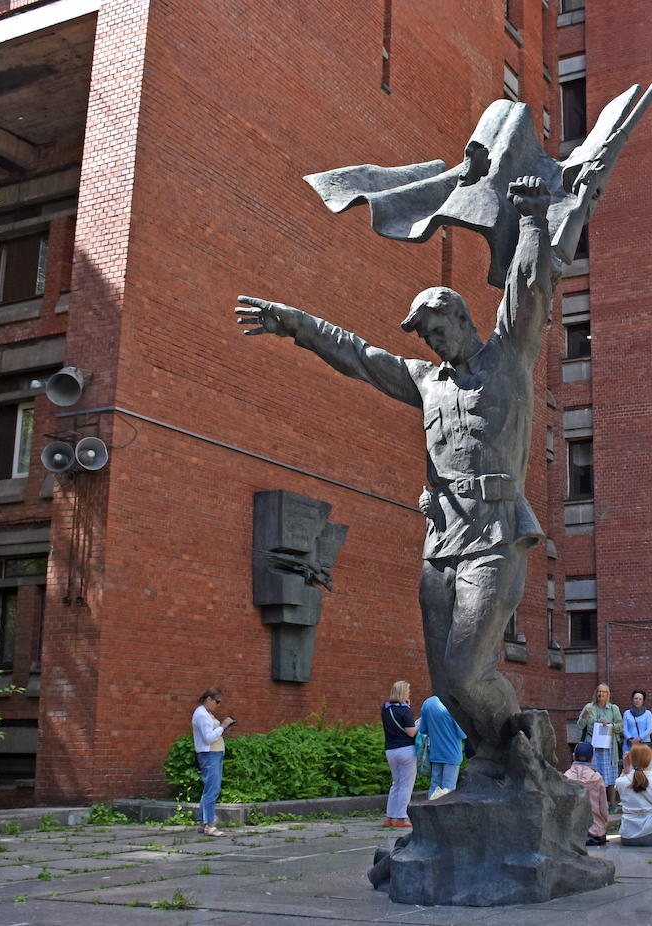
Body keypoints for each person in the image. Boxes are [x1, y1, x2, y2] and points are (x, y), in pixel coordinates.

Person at [237, 177, 554, 776]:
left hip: (495, 535)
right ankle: (493, 760)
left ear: (461, 318)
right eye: (425, 337)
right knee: (446, 685)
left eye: (438, 330)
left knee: (468, 670)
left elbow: (527, 288)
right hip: (440, 544)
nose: (433, 344)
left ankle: (523, 740)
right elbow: (359, 356)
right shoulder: (425, 381)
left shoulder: (508, 356)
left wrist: (534, 219)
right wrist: (296, 324)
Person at [191, 687, 236, 837]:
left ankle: (202, 822)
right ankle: (209, 825)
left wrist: (221, 728)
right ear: (208, 698)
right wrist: (222, 727)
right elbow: (208, 738)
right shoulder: (201, 714)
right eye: (217, 702)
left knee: (209, 789)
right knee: (212, 790)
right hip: (209, 754)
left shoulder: (206, 713)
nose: (218, 705)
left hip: (214, 754)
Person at [615, 743, 652, 846]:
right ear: (649, 759)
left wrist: (626, 770)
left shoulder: (621, 782)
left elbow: (619, 784)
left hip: (628, 832)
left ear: (630, 759)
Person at [576, 683, 623, 807]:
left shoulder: (613, 708)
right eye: (599, 691)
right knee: (593, 774)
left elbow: (620, 726)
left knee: (610, 775)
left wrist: (611, 725)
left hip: (608, 746)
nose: (601, 693)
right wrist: (585, 715)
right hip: (592, 745)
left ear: (607, 694)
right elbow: (580, 725)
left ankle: (612, 804)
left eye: (603, 691)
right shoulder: (589, 707)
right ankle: (595, 804)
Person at [381, 680, 418, 828]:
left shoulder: (385, 708)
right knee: (406, 785)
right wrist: (418, 724)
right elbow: (411, 732)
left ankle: (390, 817)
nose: (409, 694)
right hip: (406, 750)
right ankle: (402, 818)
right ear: (403, 693)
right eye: (408, 691)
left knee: (396, 783)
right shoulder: (405, 710)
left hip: (390, 750)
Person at [417, 694, 466, 799]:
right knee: (448, 789)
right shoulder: (453, 704)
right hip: (452, 753)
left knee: (435, 785)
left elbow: (422, 729)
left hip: (435, 752)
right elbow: (463, 734)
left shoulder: (427, 703)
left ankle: (430, 807)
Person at [564, 742, 609, 846]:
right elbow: (603, 809)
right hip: (595, 832)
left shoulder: (565, 777)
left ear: (573, 756)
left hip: (571, 831)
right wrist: (602, 825)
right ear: (592, 759)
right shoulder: (598, 779)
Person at [622, 690, 652, 759]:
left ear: (643, 701)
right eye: (636, 698)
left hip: (644, 744)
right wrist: (630, 740)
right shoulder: (627, 713)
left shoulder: (648, 714)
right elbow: (624, 729)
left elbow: (649, 730)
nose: (637, 701)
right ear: (632, 700)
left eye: (640, 699)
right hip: (629, 745)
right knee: (629, 763)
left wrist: (638, 739)